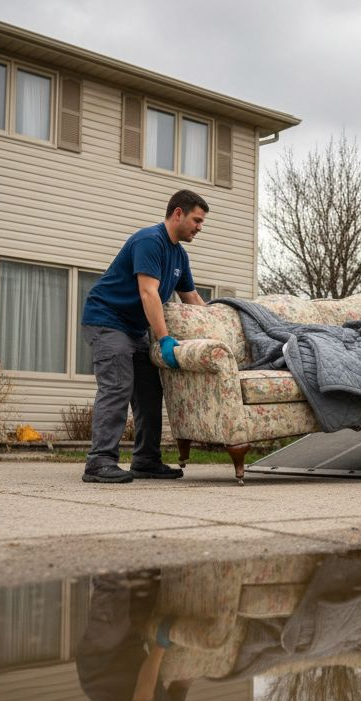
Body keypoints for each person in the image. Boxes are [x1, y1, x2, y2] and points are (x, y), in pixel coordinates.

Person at [80, 190, 210, 483]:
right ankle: (99, 461)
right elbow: (148, 292)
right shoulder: (149, 241)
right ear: (178, 213)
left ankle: (146, 460)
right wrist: (164, 339)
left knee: (150, 390)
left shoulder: (179, 254)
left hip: (134, 328)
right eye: (197, 220)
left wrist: (216, 326)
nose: (200, 227)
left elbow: (192, 298)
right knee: (118, 385)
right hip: (107, 319)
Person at [75, 573, 196, 701]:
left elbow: (144, 689)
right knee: (148, 589)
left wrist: (161, 645)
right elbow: (182, 684)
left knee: (114, 594)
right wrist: (205, 660)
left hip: (101, 662)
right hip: (129, 649)